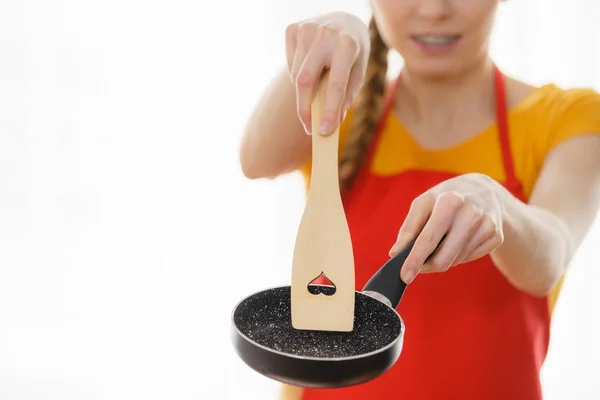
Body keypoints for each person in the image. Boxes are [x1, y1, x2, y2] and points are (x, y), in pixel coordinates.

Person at [239, 1, 600, 399]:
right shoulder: (337, 115)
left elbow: (550, 255)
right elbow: (256, 160)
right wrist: (327, 43)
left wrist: (497, 202)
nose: (433, 10)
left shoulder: (567, 117)